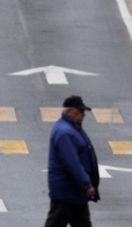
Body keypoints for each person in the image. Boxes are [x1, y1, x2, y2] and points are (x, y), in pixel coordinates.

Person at [46, 95, 100, 227]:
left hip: (74, 192)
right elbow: (72, 162)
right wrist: (86, 184)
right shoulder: (65, 132)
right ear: (69, 111)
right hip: (66, 191)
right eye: (79, 112)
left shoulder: (72, 128)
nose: (82, 115)